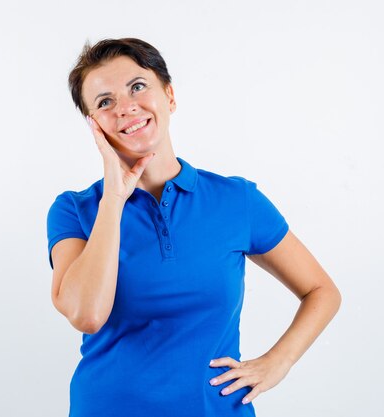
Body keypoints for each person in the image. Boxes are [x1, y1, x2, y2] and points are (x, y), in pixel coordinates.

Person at [46, 38, 341, 417]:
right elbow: (86, 314)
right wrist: (114, 199)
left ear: (169, 96)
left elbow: (322, 290)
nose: (125, 107)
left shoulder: (238, 201)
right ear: (93, 124)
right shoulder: (75, 210)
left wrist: (277, 362)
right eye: (105, 102)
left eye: (137, 86)